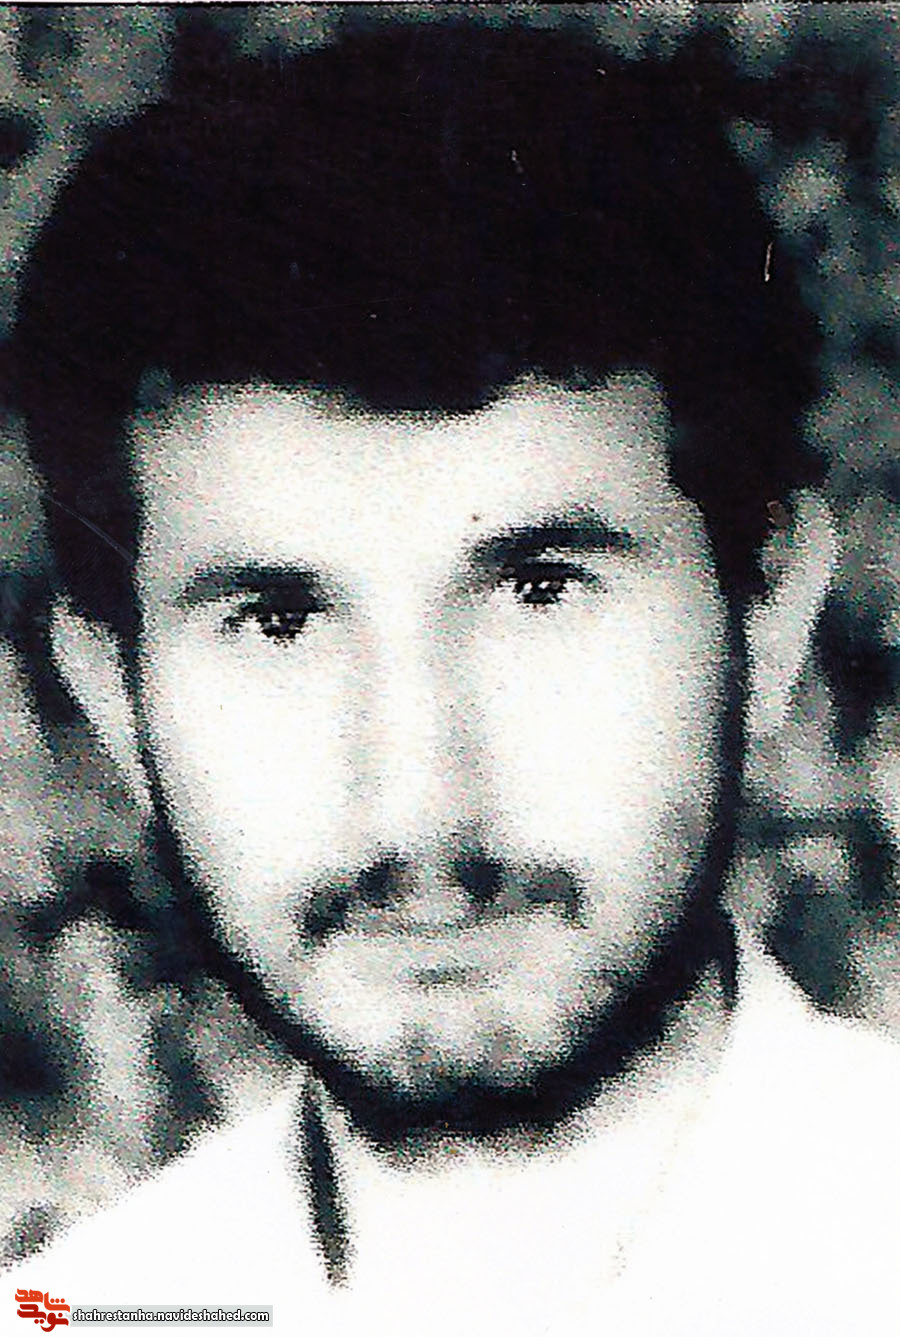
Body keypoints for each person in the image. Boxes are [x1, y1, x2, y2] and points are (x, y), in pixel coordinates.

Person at [8, 17, 900, 1335]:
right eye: (277, 622)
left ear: (765, 617)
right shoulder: (75, 1314)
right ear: (114, 698)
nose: (420, 801)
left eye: (540, 592)